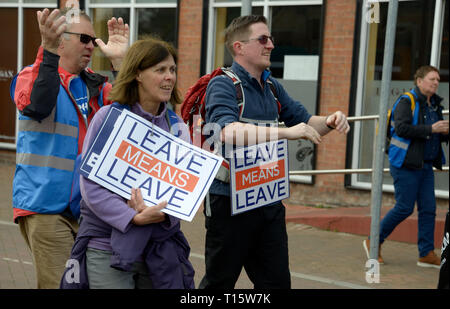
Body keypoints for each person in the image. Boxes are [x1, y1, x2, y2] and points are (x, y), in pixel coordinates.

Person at [199, 15, 350, 289]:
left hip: (267, 202)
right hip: (229, 205)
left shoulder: (271, 86)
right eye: (263, 39)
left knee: (277, 284)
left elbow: (306, 122)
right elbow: (226, 131)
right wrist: (287, 132)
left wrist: (330, 121)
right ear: (239, 47)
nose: (271, 45)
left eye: (270, 39)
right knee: (218, 285)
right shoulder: (222, 84)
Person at [60, 37, 195, 289]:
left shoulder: (178, 128)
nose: (170, 77)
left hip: (158, 248)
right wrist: (132, 217)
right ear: (138, 75)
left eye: (173, 69)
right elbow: (91, 188)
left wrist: (160, 213)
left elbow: (184, 193)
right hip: (105, 247)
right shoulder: (107, 119)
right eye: (160, 70)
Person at [10, 7, 129, 288]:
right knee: (64, 285)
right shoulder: (30, 76)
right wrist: (48, 53)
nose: (92, 45)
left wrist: (122, 64)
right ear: (60, 40)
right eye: (84, 39)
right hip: (47, 208)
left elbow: (132, 119)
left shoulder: (96, 87)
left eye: (94, 39)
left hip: (89, 209)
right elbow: (38, 104)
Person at [363, 65, 449, 268]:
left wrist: (444, 131)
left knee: (428, 209)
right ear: (419, 81)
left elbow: (436, 132)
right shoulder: (406, 101)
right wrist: (431, 128)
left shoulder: (434, 105)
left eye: (438, 79)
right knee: (404, 207)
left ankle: (426, 253)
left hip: (425, 165)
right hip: (405, 164)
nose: (436, 82)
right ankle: (373, 242)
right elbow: (401, 128)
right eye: (432, 79)